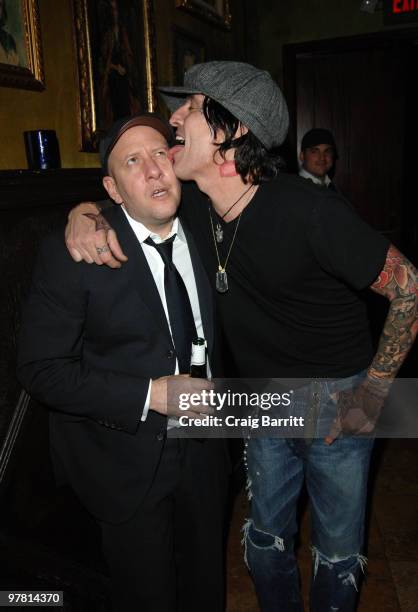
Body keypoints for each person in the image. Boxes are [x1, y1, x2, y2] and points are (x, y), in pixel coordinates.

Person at [64, 62, 418, 612]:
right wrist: (81, 213)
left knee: (338, 556)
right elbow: (120, 207)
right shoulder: (195, 208)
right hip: (258, 399)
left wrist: (373, 394)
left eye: (191, 107)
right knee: (263, 543)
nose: (174, 118)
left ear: (234, 130)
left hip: (337, 399)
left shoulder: (311, 211)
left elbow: (410, 288)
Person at [17, 113, 229, 612]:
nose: (154, 170)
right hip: (124, 462)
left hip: (204, 451)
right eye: (134, 161)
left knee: (206, 588)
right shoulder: (78, 253)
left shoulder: (207, 226)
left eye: (161, 154)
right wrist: (151, 395)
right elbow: (41, 368)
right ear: (113, 188)